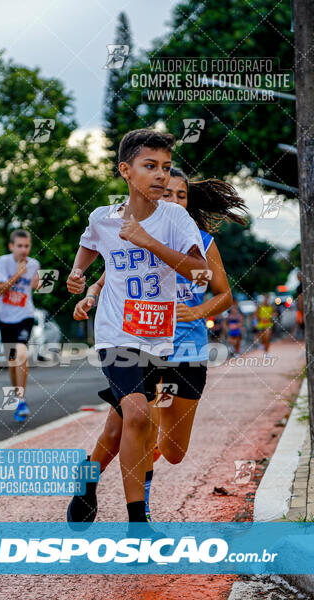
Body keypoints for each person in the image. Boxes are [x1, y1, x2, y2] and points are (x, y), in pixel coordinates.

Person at [67, 164, 247, 524]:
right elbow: (111, 272)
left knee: (173, 450)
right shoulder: (139, 234)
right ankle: (129, 507)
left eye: (182, 196)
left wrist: (195, 312)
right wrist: (91, 293)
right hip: (137, 343)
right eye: (167, 195)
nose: (174, 201)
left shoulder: (202, 244)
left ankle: (116, 474)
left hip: (188, 353)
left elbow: (224, 296)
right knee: (128, 424)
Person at [0, 229, 40, 422]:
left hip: (25, 316)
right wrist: (18, 275)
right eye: (19, 246)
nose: (23, 250)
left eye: (27, 246)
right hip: (5, 318)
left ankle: (20, 400)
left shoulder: (34, 264)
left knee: (21, 353)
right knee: (12, 361)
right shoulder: (3, 262)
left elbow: (36, 286)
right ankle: (17, 396)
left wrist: (36, 281)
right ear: (12, 246)